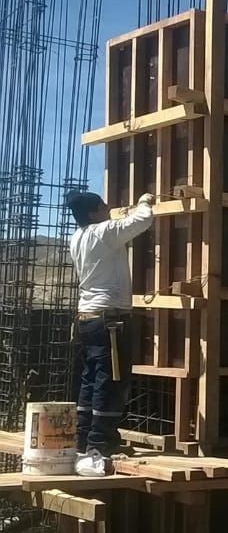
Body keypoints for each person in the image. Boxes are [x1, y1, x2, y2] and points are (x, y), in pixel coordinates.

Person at [66, 190, 155, 476]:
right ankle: (99, 445)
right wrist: (144, 202)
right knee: (110, 379)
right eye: (104, 206)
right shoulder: (103, 232)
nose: (108, 208)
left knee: (92, 378)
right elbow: (142, 221)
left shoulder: (77, 237)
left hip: (89, 318)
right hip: (109, 320)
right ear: (93, 213)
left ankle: (83, 440)